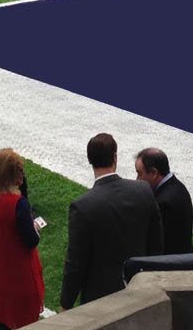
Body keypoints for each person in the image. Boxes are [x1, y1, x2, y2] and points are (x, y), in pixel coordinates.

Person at [60, 133, 163, 310]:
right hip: (139, 288)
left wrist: (66, 303)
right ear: (115, 156)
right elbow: (156, 243)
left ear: (89, 160)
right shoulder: (143, 190)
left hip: (100, 299)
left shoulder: (83, 206)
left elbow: (76, 262)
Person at [0, 148, 44, 330]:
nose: (23, 176)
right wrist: (35, 228)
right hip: (20, 280)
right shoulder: (17, 203)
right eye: (20, 171)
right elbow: (30, 241)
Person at [134, 147, 193, 255]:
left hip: (171, 265)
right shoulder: (178, 186)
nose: (137, 179)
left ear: (153, 173)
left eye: (140, 173)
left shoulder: (162, 203)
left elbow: (154, 243)